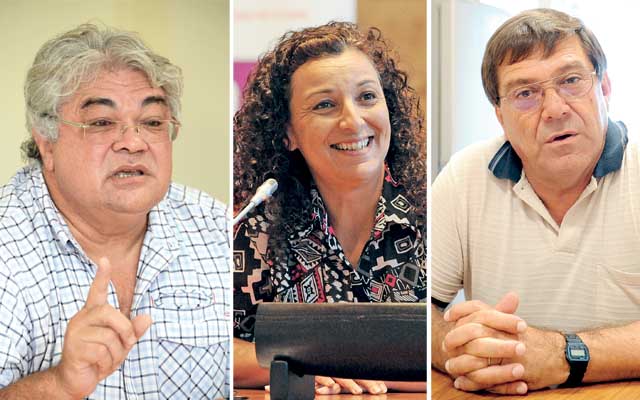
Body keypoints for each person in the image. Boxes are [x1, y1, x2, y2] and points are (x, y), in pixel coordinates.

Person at [0, 24, 230, 399]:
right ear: (47, 144)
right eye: (102, 123)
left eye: (152, 122)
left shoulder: (216, 229)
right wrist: (59, 384)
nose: (133, 143)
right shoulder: (7, 246)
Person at [432, 8, 640, 395]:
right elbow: (418, 308)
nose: (556, 109)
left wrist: (563, 355)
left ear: (605, 88)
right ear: (500, 115)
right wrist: (458, 350)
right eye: (525, 94)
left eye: (572, 81)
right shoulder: (464, 177)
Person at [233, 21, 427, 394]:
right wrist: (314, 367)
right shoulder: (257, 229)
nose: (353, 121)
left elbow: (450, 354)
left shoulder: (433, 216)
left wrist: (328, 363)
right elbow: (222, 349)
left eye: (367, 97)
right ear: (288, 133)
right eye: (325, 104)